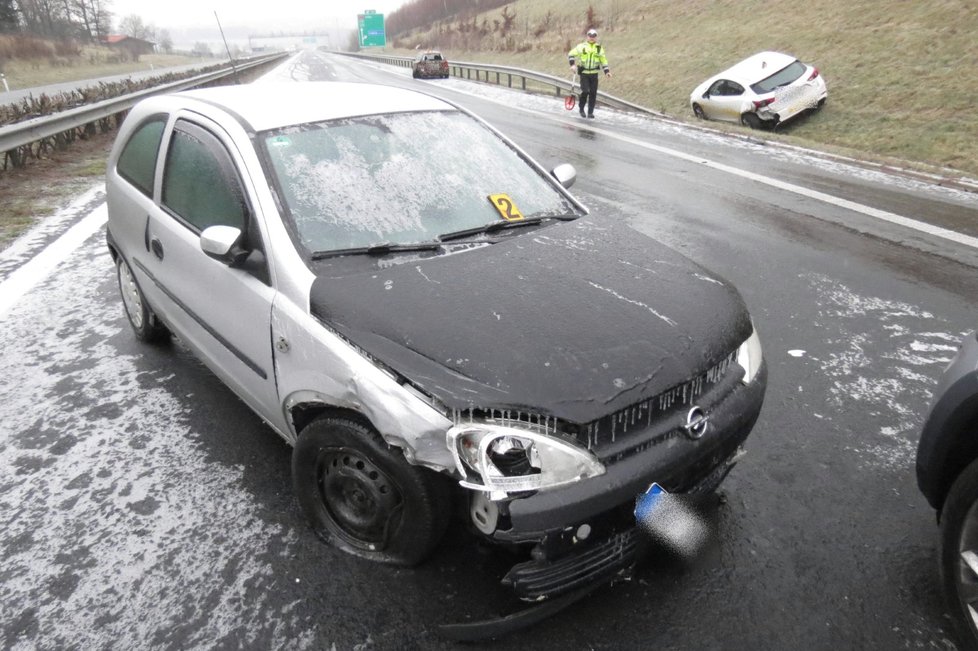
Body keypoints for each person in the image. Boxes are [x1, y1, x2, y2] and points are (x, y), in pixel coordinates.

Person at [568, 28, 611, 118]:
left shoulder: (599, 48)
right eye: (590, 36)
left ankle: (590, 112)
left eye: (594, 36)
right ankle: (581, 108)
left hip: (594, 74)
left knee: (593, 93)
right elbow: (571, 54)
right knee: (585, 91)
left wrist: (607, 71)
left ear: (596, 37)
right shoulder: (581, 46)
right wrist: (572, 65)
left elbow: (603, 60)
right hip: (584, 73)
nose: (592, 38)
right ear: (587, 36)